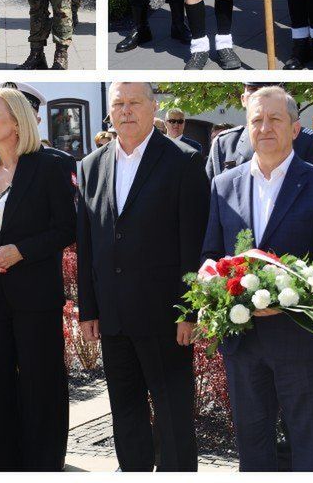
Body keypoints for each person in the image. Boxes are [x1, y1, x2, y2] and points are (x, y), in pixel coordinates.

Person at [201, 87, 313, 471]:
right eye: (256, 120)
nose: (264, 127)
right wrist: (212, 281)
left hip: (301, 341)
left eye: (275, 119)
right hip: (243, 343)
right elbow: (211, 254)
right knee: (252, 446)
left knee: (308, 446)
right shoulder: (223, 185)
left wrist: (288, 298)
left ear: (295, 129)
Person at [77, 83, 209, 471]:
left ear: (154, 108)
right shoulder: (91, 165)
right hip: (113, 316)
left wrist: (189, 311)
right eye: (118, 103)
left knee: (173, 415)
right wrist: (89, 309)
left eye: (134, 102)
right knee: (126, 413)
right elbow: (88, 241)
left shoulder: (183, 161)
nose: (125, 110)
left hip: (165, 317)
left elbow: (194, 243)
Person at [0, 86, 76, 470]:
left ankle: (43, 465)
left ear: (17, 122)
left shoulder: (50, 166)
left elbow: (66, 228)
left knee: (41, 386)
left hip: (36, 297)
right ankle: (0, 465)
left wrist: (21, 250)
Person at [207, 82, 313, 178]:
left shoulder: (307, 141)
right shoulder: (223, 144)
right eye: (254, 90)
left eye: (269, 91)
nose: (261, 96)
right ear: (243, 99)